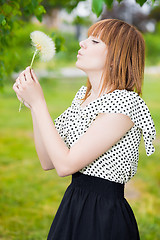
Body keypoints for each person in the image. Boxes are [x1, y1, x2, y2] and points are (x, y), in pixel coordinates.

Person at [13, 19, 156, 240]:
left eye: (94, 41)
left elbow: (66, 165)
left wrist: (40, 104)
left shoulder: (125, 104)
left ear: (115, 56)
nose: (82, 43)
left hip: (102, 217)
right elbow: (48, 161)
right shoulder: (83, 98)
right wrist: (33, 105)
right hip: (73, 205)